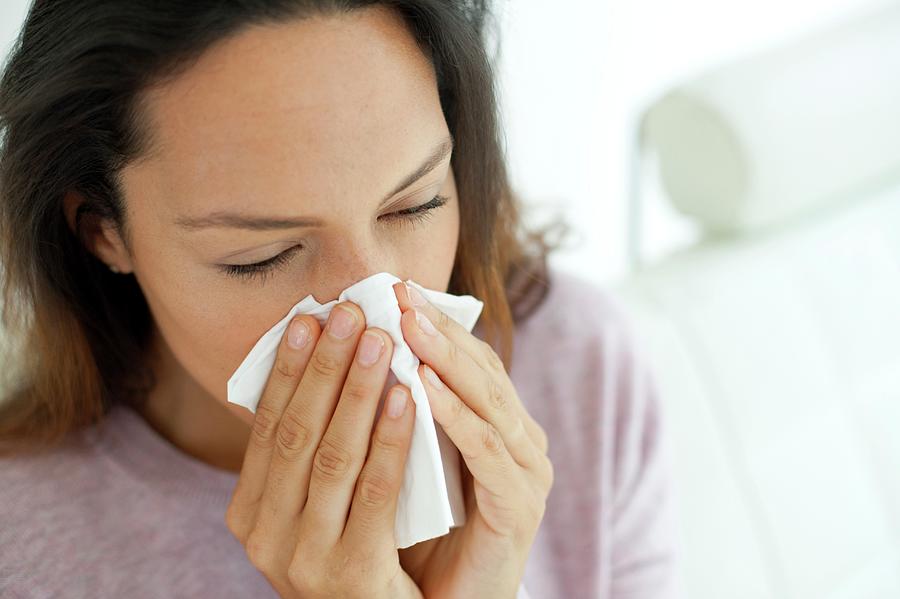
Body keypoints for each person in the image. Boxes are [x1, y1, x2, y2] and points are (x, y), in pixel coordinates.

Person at [0, 1, 681, 597]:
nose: (371, 310)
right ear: (103, 233)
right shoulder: (22, 545)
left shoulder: (580, 367)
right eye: (260, 256)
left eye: (415, 205)